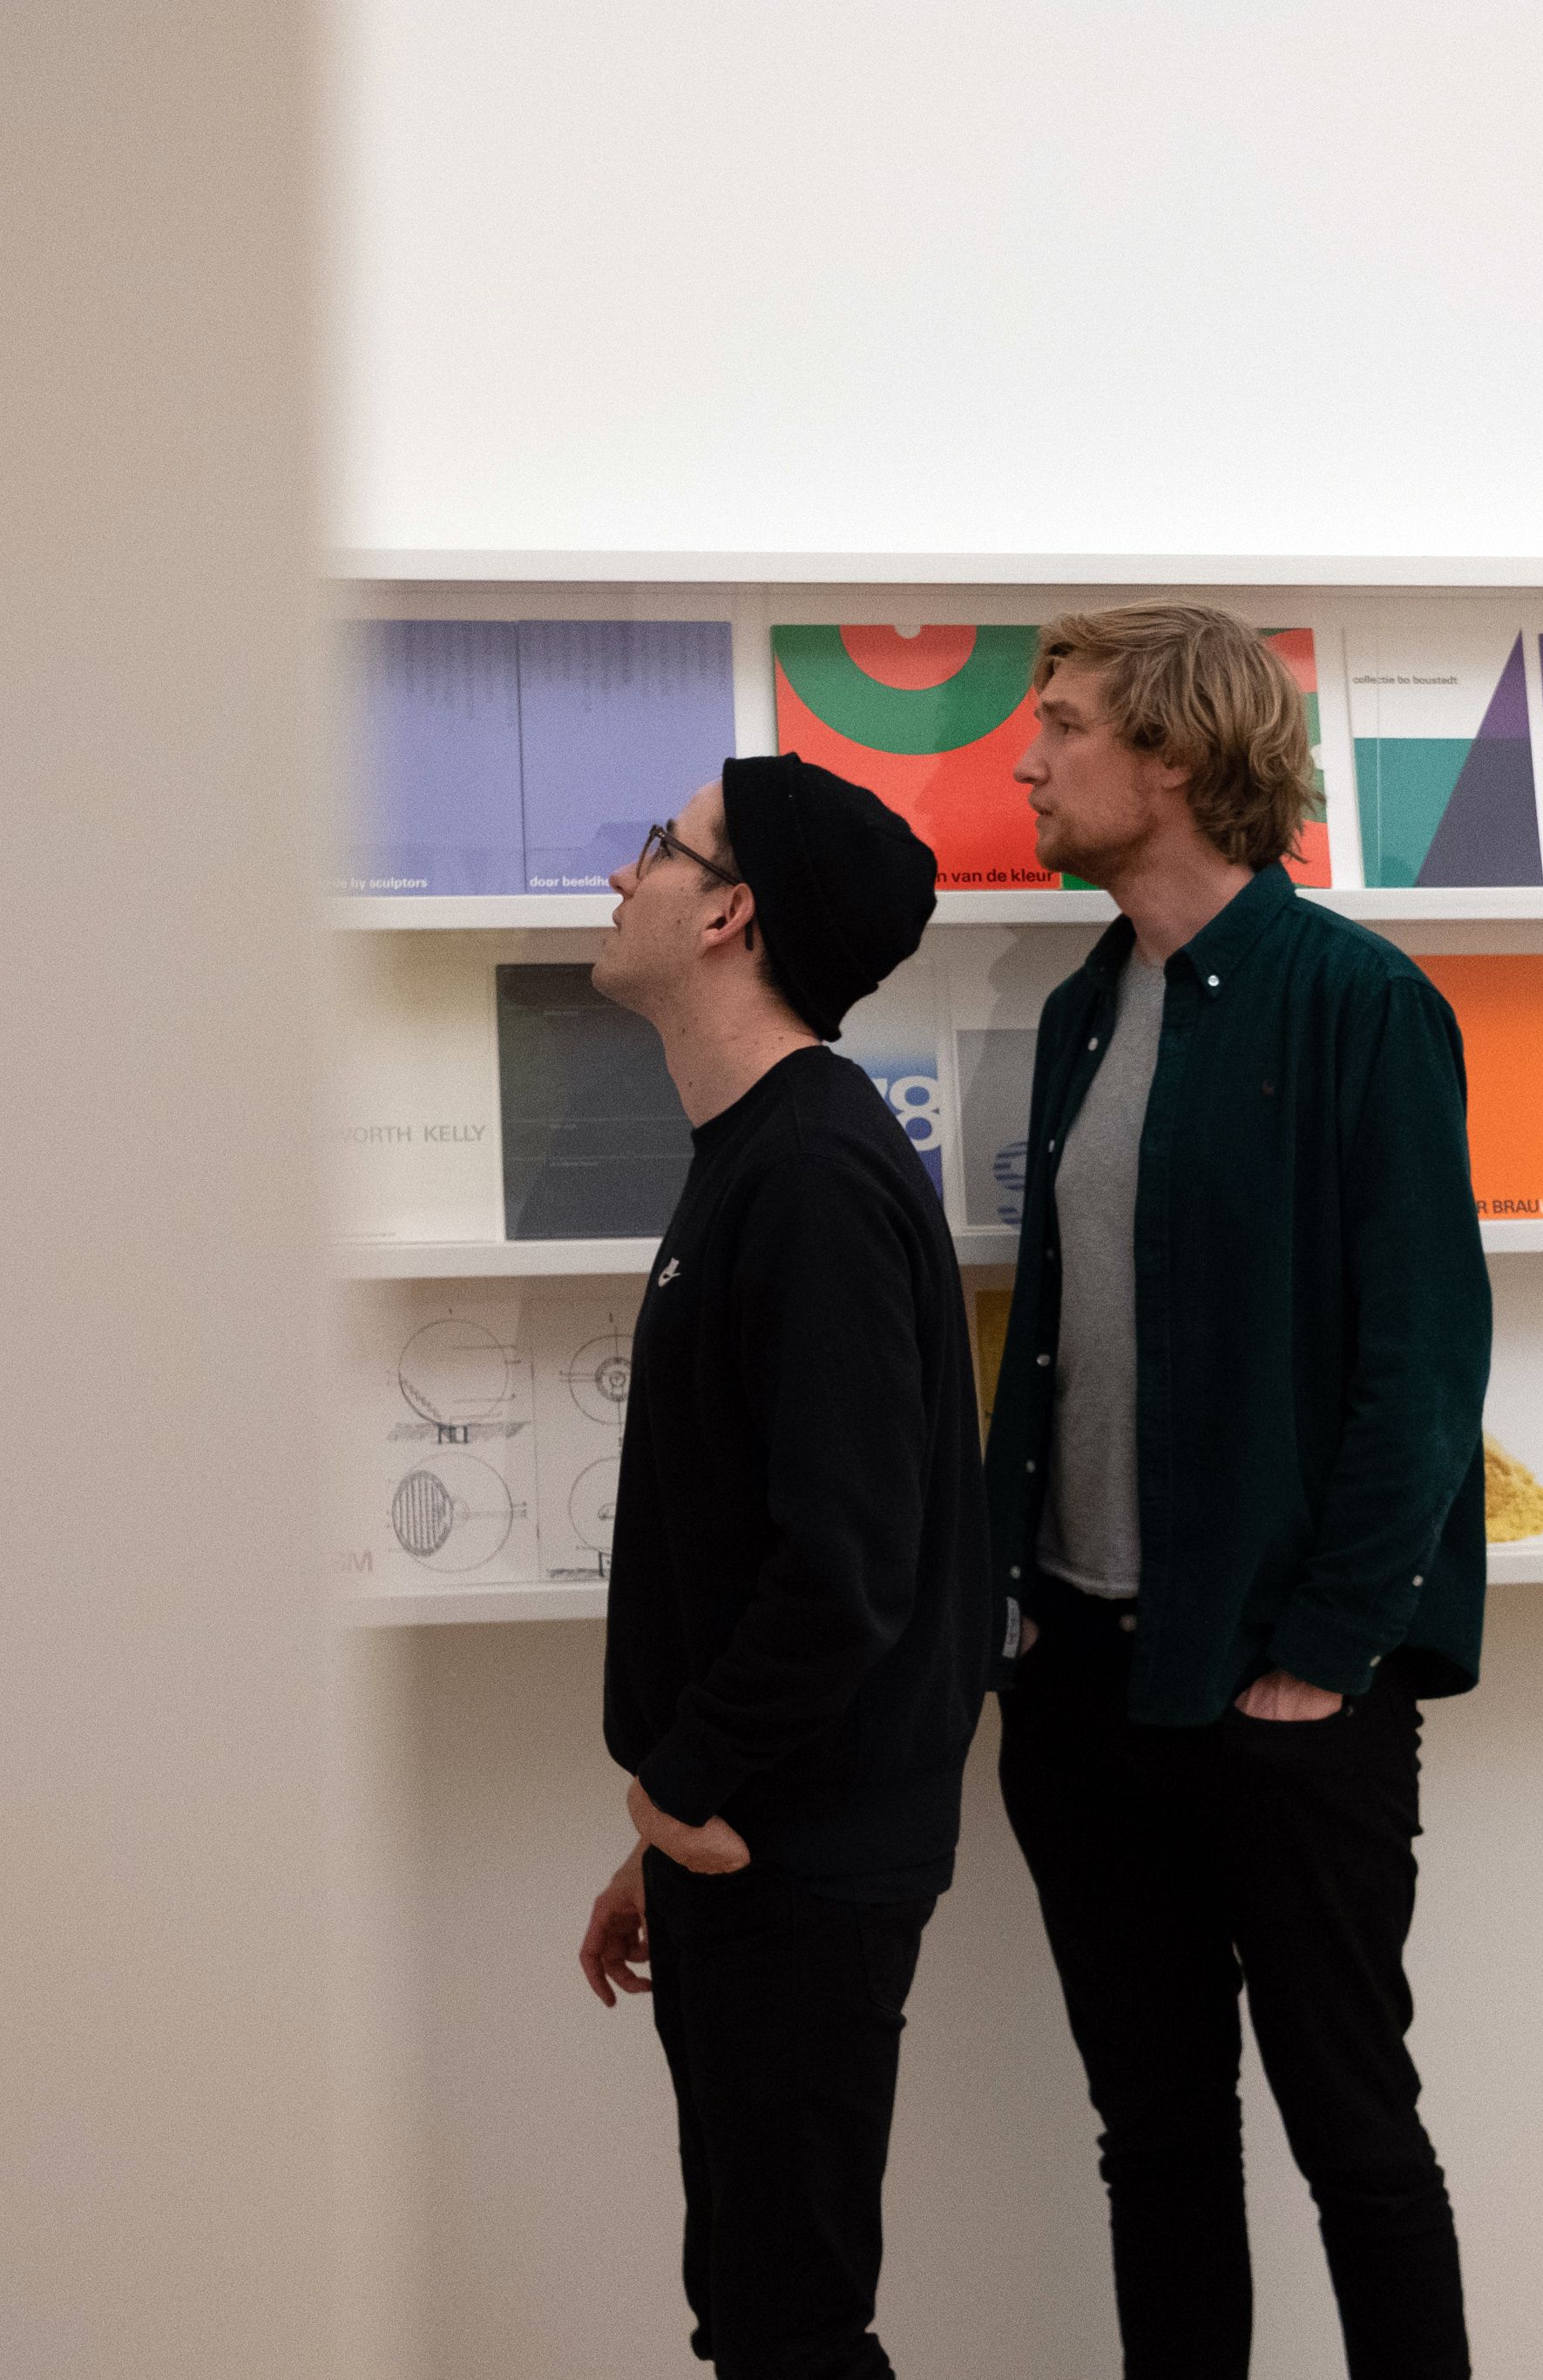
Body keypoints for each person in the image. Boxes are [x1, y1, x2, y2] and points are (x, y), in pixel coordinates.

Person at [985, 604, 1491, 2380]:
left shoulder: (1358, 1003)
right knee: (1157, 2147)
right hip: (1085, 1688)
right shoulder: (1075, 1015)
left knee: (1355, 2143)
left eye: (1059, 725)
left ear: (1178, 754)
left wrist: (1319, 1660)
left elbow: (1422, 1366)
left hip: (1287, 1702)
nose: (1026, 760)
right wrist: (1025, 1618)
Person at [577, 754, 992, 2380]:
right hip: (759, 1841)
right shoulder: (766, 1151)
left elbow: (847, 1566)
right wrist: (667, 1839)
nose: (625, 879)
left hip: (799, 1853)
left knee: (788, 2327)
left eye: (657, 848)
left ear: (729, 915)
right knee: (759, 2315)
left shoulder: (809, 1176)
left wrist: (681, 1787)